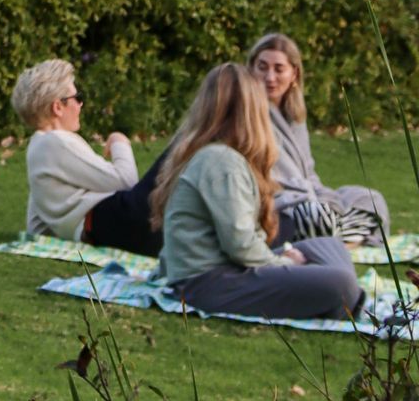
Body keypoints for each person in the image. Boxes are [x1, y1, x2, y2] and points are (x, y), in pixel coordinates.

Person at [153, 62, 363, 320]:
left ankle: (341, 293)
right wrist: (285, 263)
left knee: (328, 244)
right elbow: (240, 245)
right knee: (340, 283)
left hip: (225, 271)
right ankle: (346, 297)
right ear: (253, 111)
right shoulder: (220, 160)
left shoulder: (217, 154)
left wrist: (281, 259)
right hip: (207, 283)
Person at [247, 32, 391, 248]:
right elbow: (264, 176)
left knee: (371, 199)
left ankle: (333, 240)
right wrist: (312, 200)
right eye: (262, 67)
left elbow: (308, 171)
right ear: (251, 70)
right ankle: (343, 240)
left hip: (309, 197)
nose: (270, 77)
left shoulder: (295, 118)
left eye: (278, 69)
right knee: (318, 217)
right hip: (276, 204)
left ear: (294, 74)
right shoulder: (246, 114)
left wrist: (324, 197)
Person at [14, 60, 138, 239]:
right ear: (58, 107)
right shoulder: (57, 142)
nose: (80, 105)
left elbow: (37, 225)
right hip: (107, 220)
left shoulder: (37, 145)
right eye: (77, 98)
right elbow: (127, 181)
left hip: (100, 224)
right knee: (172, 160)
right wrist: (120, 142)